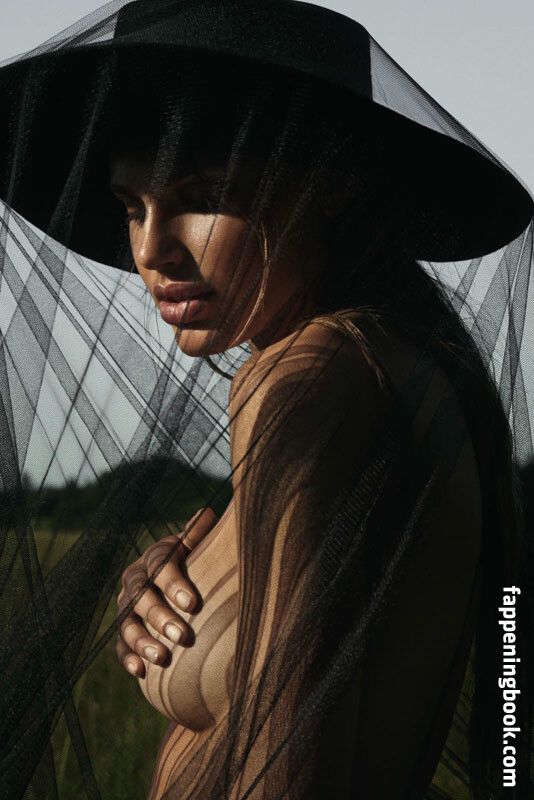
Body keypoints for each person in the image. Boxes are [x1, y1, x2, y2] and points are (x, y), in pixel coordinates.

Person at [0, 1, 532, 799]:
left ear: (332, 183)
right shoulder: (378, 371)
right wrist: (195, 581)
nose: (150, 251)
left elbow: (293, 762)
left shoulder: (309, 377)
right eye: (132, 207)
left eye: (202, 194)